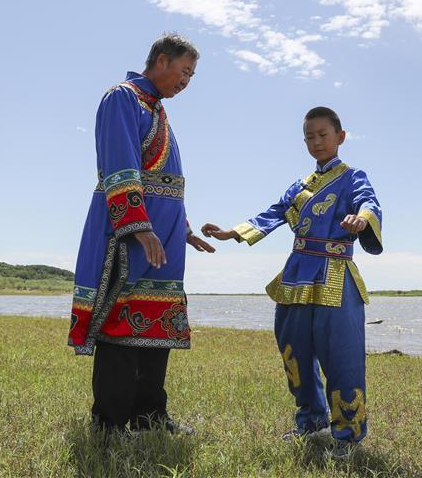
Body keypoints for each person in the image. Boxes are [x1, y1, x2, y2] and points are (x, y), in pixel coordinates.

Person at [201, 106, 383, 459]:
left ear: (340, 137)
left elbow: (369, 202)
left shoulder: (352, 177)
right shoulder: (299, 187)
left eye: (323, 135)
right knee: (293, 350)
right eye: (309, 137)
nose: (317, 142)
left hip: (335, 274)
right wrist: (230, 233)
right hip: (296, 274)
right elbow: (271, 214)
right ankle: (311, 422)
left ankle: (347, 435)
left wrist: (362, 220)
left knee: (342, 355)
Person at [68, 33, 216, 434]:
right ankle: (110, 423)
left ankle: (150, 416)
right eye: (184, 71)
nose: (186, 81)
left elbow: (161, 180)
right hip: (128, 236)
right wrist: (139, 227)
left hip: (164, 239)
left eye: (192, 75)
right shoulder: (123, 98)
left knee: (156, 325)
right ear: (162, 60)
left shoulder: (157, 110)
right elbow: (120, 166)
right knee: (121, 323)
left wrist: (183, 229)